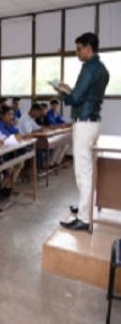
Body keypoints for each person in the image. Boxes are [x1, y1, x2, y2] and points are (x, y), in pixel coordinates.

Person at [58, 32, 109, 231]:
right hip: (93, 122)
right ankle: (84, 208)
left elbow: (76, 98)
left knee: (83, 172)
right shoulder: (102, 70)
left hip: (84, 123)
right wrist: (72, 91)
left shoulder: (89, 68)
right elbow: (86, 95)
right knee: (87, 171)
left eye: (79, 49)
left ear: (89, 48)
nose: (77, 53)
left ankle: (84, 219)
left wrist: (63, 93)